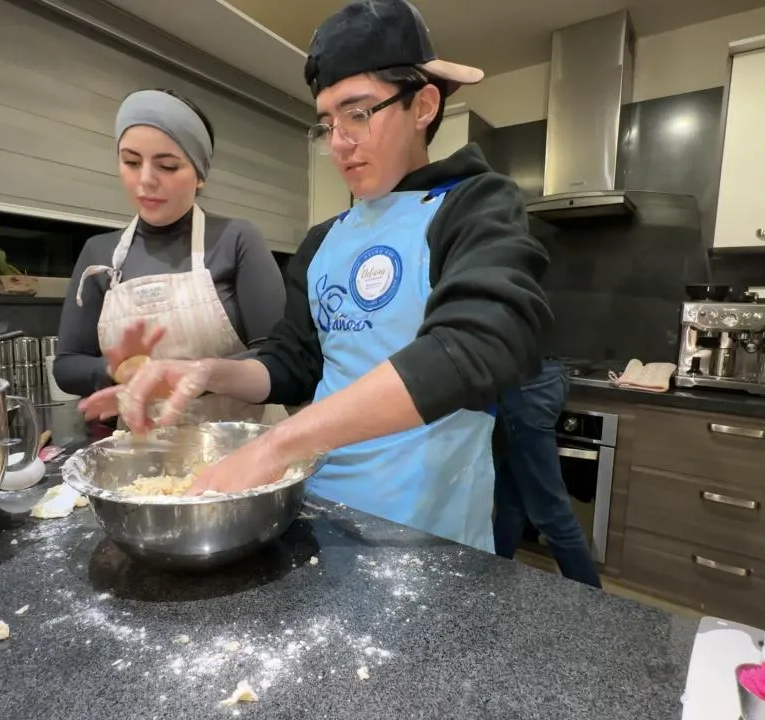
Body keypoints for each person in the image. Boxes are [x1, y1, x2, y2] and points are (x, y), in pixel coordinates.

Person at [80, 0, 550, 553]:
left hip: (426, 529)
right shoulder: (326, 239)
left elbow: (480, 343)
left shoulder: (474, 205)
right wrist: (206, 371)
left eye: (359, 113)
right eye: (327, 124)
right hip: (319, 511)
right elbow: (295, 364)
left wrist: (277, 444)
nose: (339, 144)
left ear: (423, 105)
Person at [53, 88, 286, 424]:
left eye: (167, 166)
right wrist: (118, 370)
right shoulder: (99, 253)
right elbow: (67, 366)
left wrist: (189, 375)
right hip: (142, 449)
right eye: (131, 162)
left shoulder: (236, 239)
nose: (145, 180)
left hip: (238, 440)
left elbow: (276, 357)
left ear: (200, 175)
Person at [492, 364, 603, 587]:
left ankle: (594, 602)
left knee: (552, 511)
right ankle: (491, 580)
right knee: (511, 503)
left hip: (521, 390)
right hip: (544, 378)